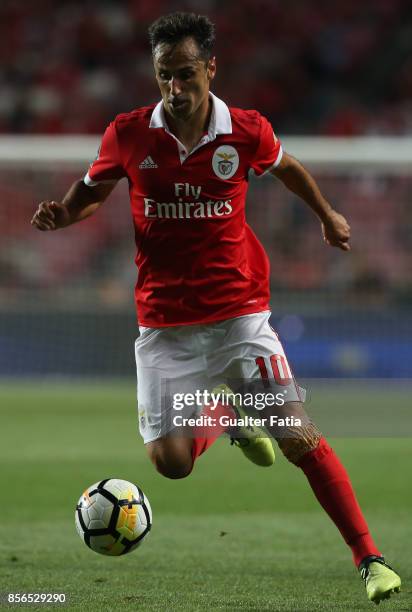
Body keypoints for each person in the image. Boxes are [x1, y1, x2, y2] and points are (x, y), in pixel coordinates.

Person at [31, 11, 401, 605]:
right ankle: (226, 418)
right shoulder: (127, 133)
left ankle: (370, 558)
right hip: (164, 327)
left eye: (185, 74)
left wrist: (328, 216)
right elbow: (90, 194)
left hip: (239, 319)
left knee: (298, 437)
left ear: (209, 68)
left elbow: (289, 168)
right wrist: (64, 215)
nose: (175, 90)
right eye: (163, 77)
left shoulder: (244, 130)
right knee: (171, 464)